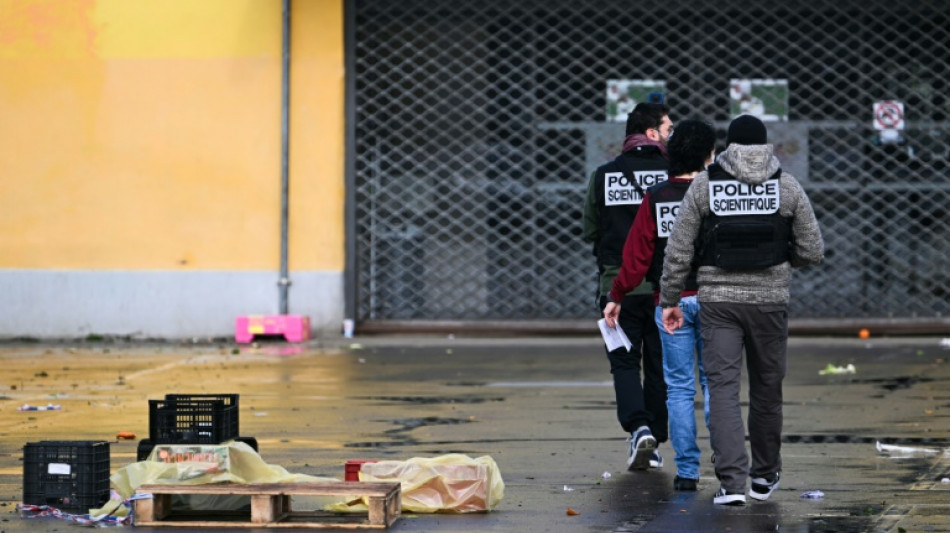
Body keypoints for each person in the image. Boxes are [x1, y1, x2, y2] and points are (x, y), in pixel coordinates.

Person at [658, 115, 824, 505]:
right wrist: (782, 263)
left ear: (727, 148)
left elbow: (678, 250)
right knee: (768, 389)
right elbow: (812, 250)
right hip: (770, 302)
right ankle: (764, 478)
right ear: (765, 146)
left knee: (724, 390)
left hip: (719, 303)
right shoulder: (786, 186)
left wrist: (669, 299)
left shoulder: (705, 185)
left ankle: (732, 484)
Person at [603, 119, 717, 491]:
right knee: (716, 382)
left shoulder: (657, 197)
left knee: (680, 387)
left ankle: (687, 472)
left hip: (670, 302)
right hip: (716, 298)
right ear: (707, 156)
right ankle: (726, 457)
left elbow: (636, 257)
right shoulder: (716, 194)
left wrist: (617, 295)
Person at [583, 102, 672, 470]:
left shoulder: (604, 176)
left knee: (623, 362)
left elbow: (590, 230)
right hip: (664, 288)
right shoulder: (674, 176)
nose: (671, 135)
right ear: (652, 134)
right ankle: (654, 436)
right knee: (659, 365)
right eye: (668, 129)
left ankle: (638, 429)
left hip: (616, 287)